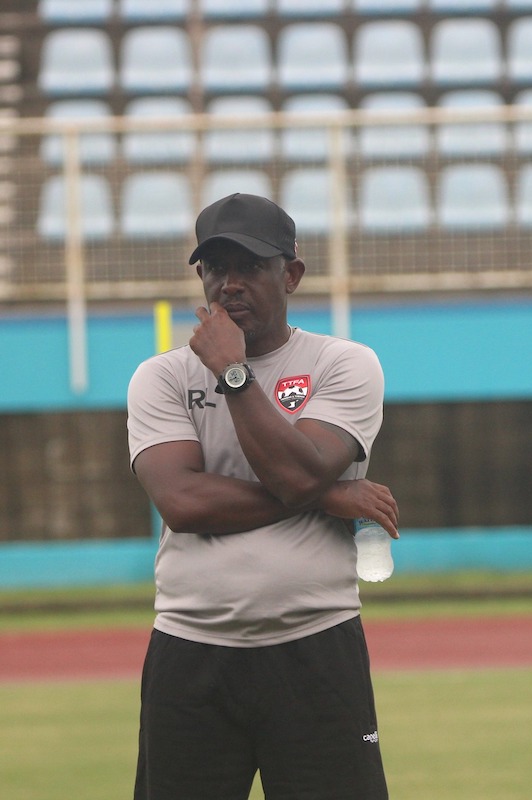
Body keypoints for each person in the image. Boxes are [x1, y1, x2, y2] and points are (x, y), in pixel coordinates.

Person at [126, 193, 398, 799]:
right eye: (215, 268)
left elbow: (297, 474)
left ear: (292, 274)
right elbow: (184, 504)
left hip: (316, 647)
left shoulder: (344, 364)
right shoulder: (161, 376)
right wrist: (329, 497)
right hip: (190, 651)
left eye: (249, 266)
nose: (229, 284)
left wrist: (233, 373)